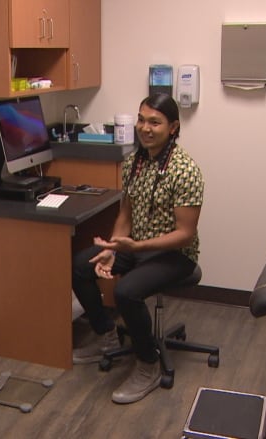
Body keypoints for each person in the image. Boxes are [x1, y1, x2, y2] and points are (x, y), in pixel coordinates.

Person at [71, 93, 204, 404]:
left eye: (154, 122)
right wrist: (114, 248)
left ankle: (148, 365)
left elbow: (185, 234)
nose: (145, 127)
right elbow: (125, 215)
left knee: (126, 291)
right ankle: (105, 336)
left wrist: (136, 246)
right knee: (80, 265)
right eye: (142, 120)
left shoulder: (185, 171)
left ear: (173, 127)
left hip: (175, 256)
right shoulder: (133, 163)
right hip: (135, 246)